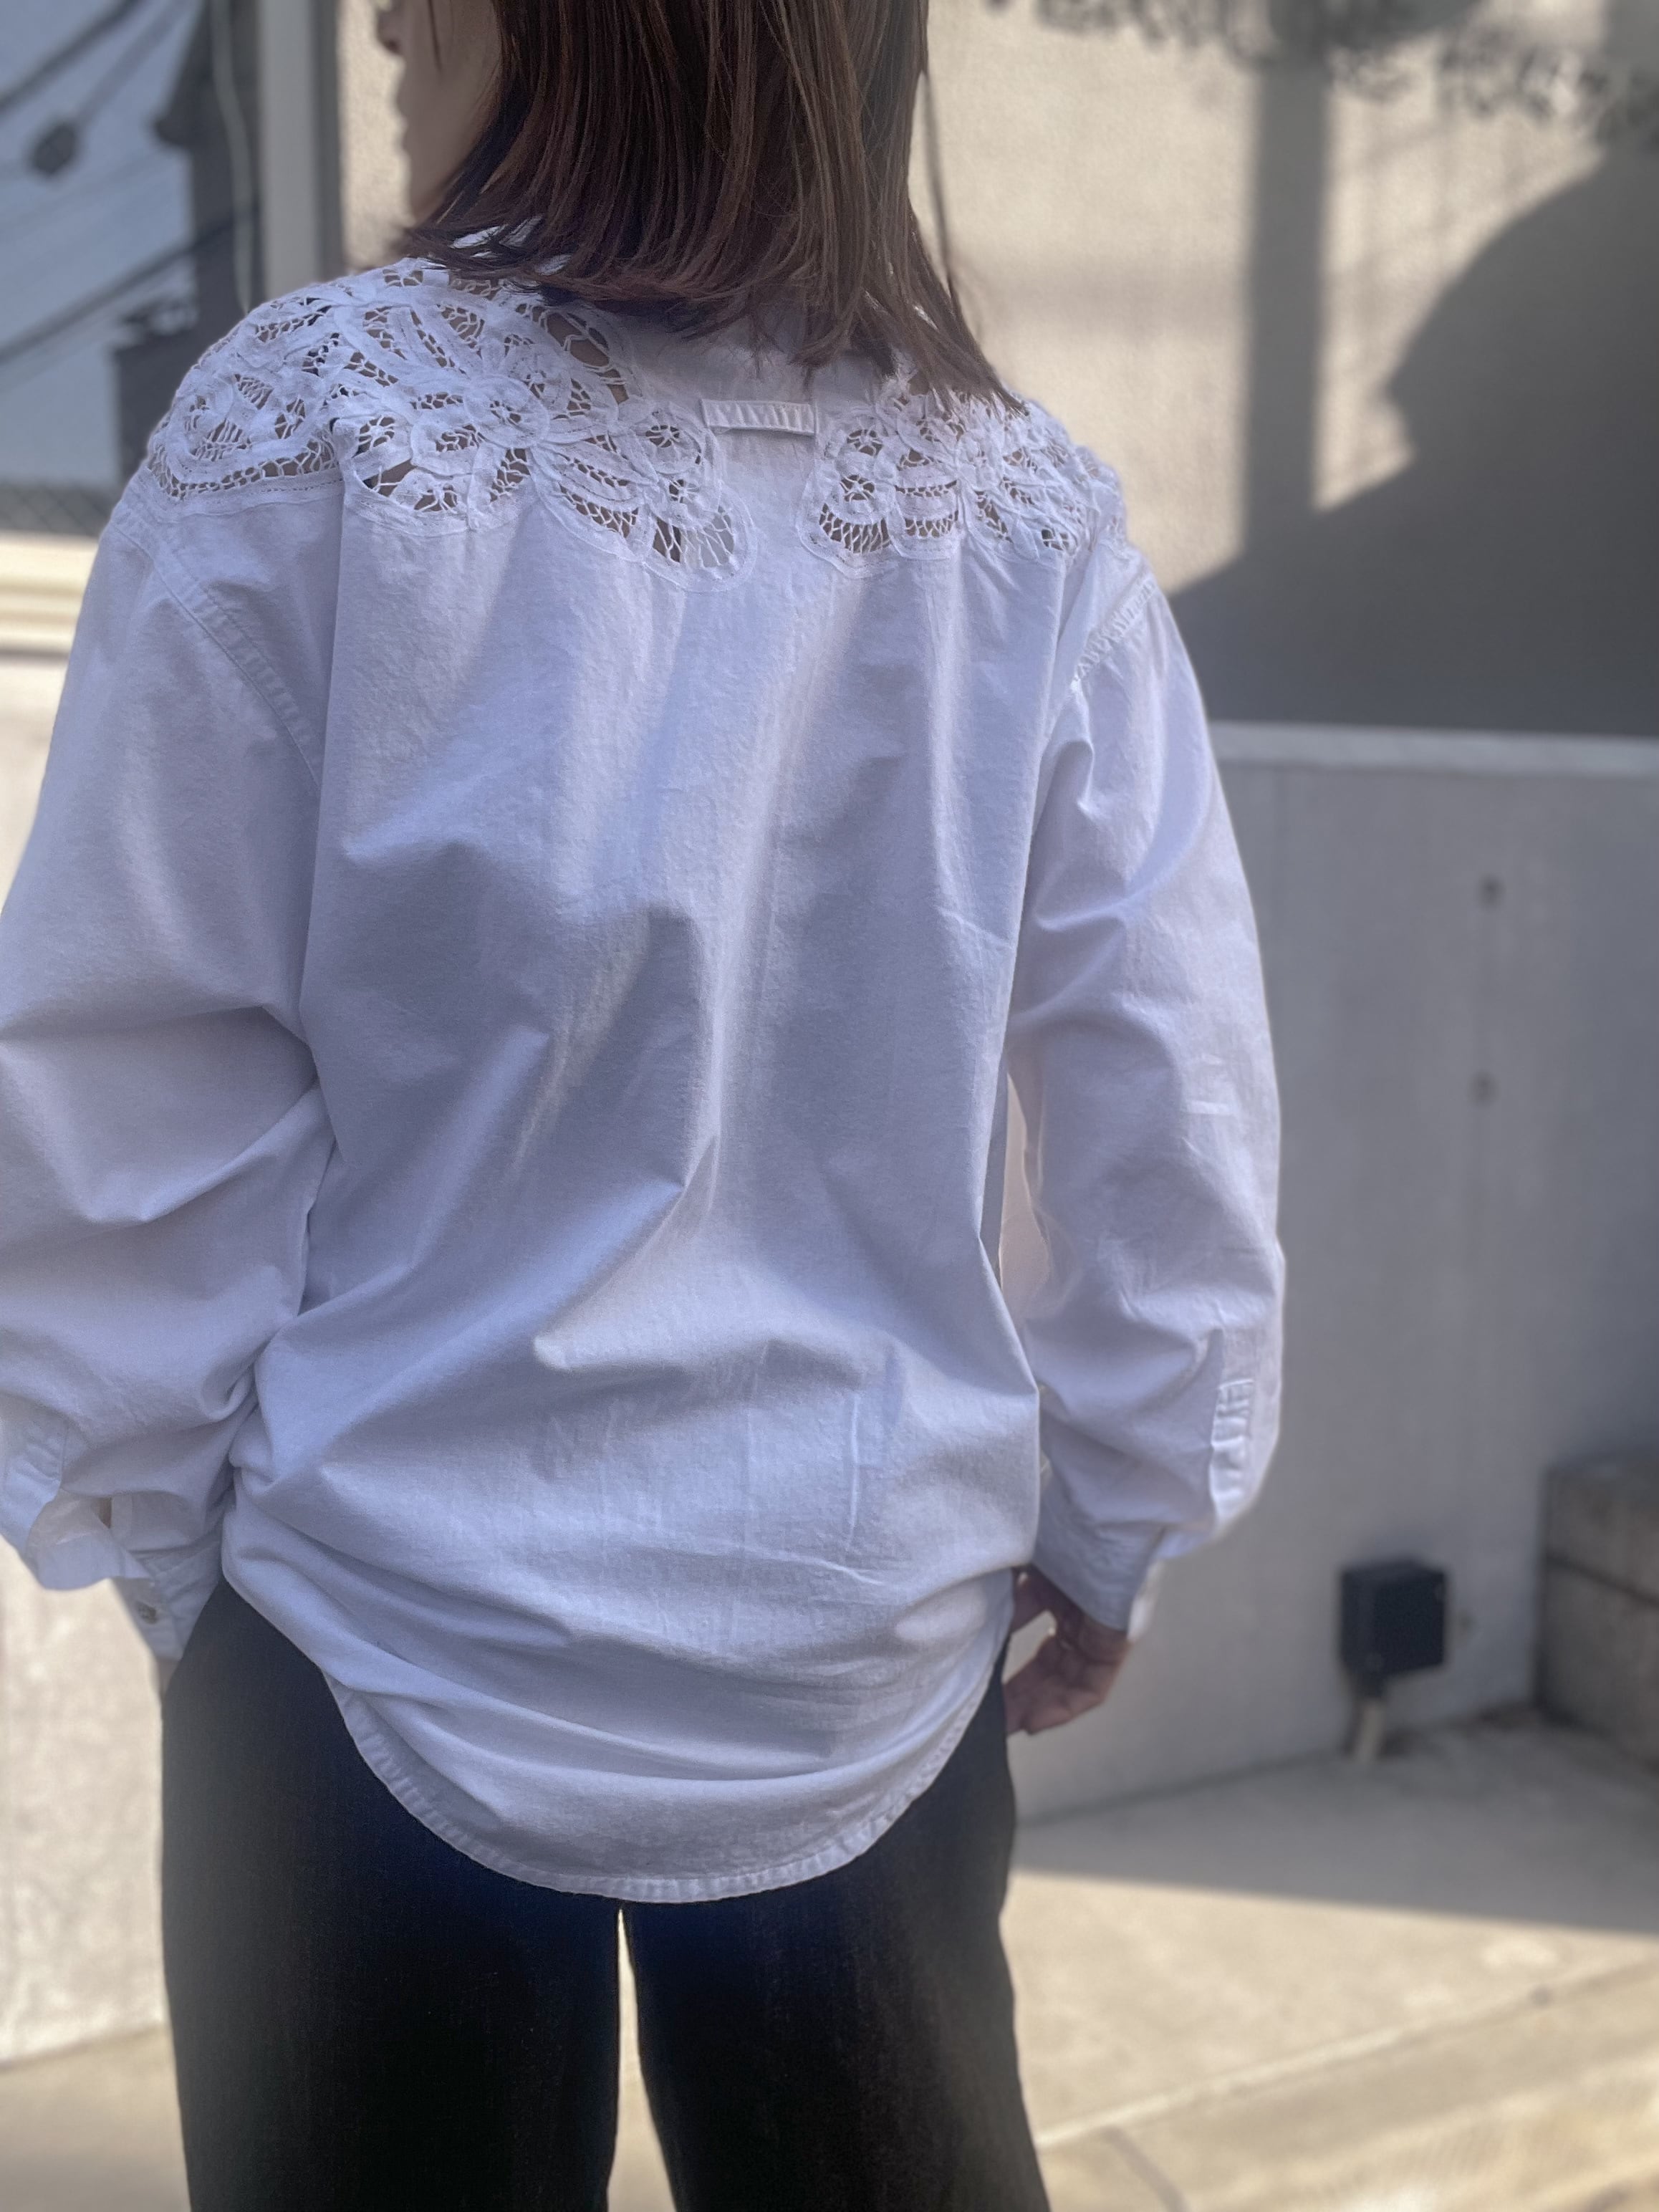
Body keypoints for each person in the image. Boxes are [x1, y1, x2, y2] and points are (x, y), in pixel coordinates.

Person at [0, 1, 1282, 2206]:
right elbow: (1167, 1105)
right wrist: (1117, 1512)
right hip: (866, 1638)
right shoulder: (1023, 518)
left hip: (368, 1633)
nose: (380, 14)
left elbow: (128, 1058)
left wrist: (172, 1541)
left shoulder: (309, 429)